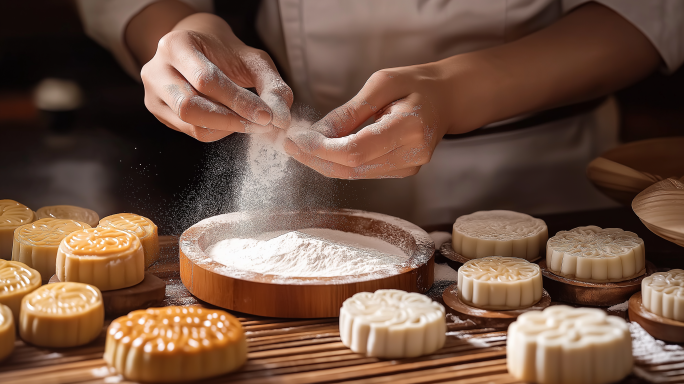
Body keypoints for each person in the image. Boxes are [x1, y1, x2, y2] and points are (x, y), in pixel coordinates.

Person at [77, 0, 683, 226]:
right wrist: (185, 28)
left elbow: (649, 12)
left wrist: (459, 90)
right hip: (305, 171)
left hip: (530, 176)